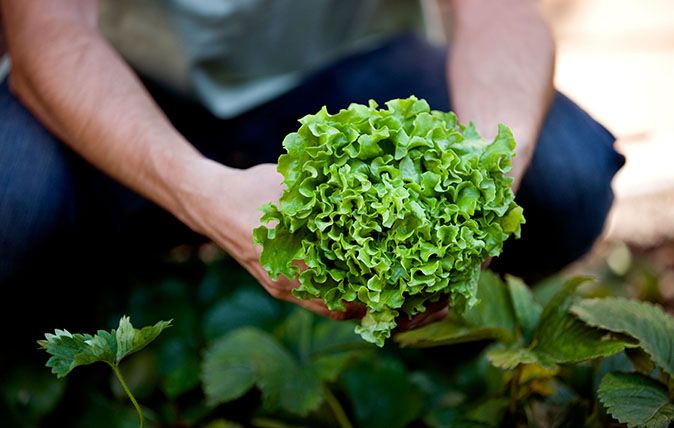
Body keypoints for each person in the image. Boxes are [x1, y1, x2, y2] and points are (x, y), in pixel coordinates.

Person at [0, 0, 624, 320]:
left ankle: (427, 342)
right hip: (123, 85)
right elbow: (45, 32)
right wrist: (200, 192)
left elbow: (499, 12)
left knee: (562, 174)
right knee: (11, 199)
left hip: (348, 72)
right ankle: (82, 321)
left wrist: (482, 180)